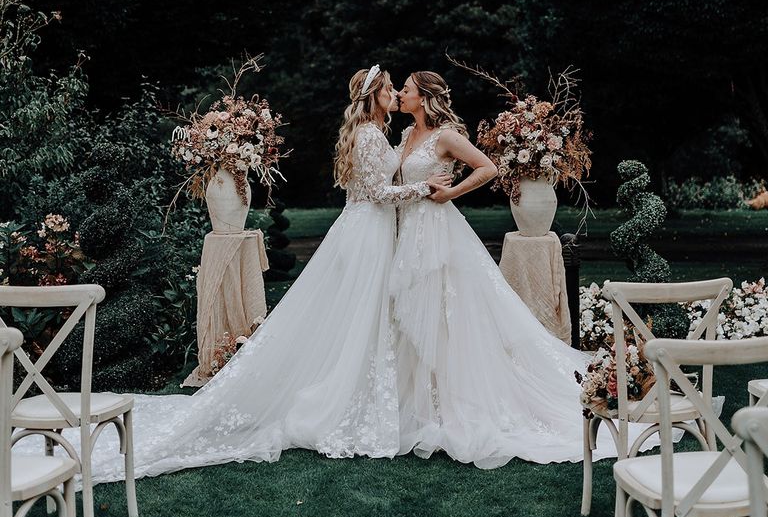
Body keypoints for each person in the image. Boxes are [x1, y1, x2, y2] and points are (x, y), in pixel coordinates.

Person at [21, 65, 450, 482]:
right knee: (361, 314)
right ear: (373, 96)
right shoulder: (372, 135)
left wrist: (419, 155)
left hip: (366, 231)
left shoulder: (379, 135)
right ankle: (346, 398)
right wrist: (423, 188)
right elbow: (376, 193)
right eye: (389, 88)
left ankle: (361, 390)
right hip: (368, 232)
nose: (395, 93)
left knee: (358, 314)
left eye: (397, 88)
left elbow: (382, 174)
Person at [393, 71, 594, 468]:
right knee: (416, 310)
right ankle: (420, 403)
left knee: (446, 314)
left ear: (425, 97)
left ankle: (452, 403)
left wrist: (451, 193)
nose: (400, 93)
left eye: (406, 89)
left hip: (437, 231)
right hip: (408, 232)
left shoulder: (445, 136)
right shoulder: (405, 136)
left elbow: (487, 168)